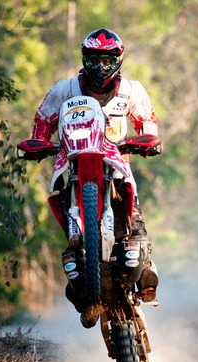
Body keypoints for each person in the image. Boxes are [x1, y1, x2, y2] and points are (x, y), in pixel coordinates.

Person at [30, 28, 160, 328]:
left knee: (133, 214)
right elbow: (43, 121)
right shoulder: (65, 89)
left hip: (115, 161)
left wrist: (149, 141)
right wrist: (37, 142)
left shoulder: (132, 90)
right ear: (84, 58)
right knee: (61, 204)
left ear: (119, 59)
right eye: (94, 60)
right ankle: (79, 268)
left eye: (107, 60)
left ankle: (148, 269)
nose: (100, 67)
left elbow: (147, 122)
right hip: (73, 161)